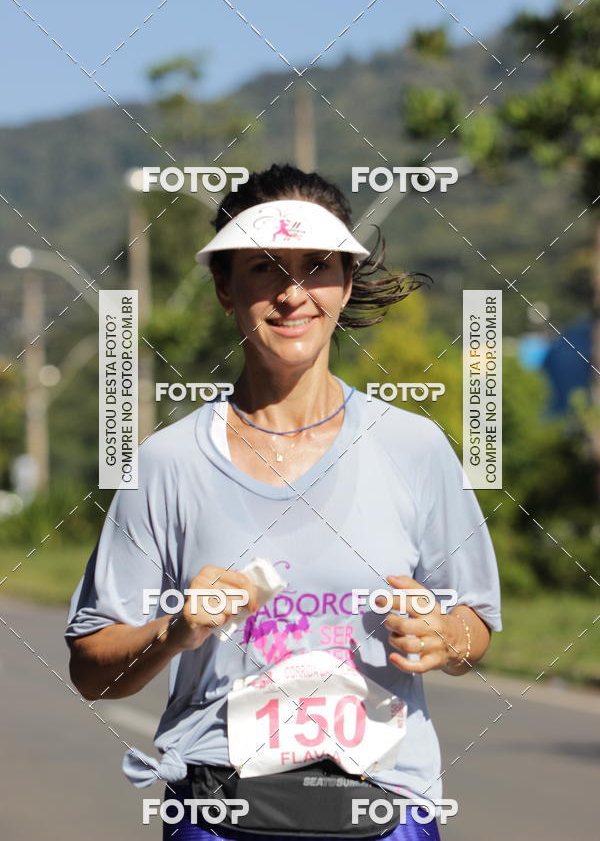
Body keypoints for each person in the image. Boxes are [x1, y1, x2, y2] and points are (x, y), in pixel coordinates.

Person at [66, 163, 502, 841]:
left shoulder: (415, 447)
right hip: (219, 812)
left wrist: (443, 637)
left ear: (346, 282)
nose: (294, 294)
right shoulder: (165, 463)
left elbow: (475, 625)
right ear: (225, 288)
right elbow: (92, 669)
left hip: (386, 812)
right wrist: (174, 631)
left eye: (317, 266)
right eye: (266, 268)